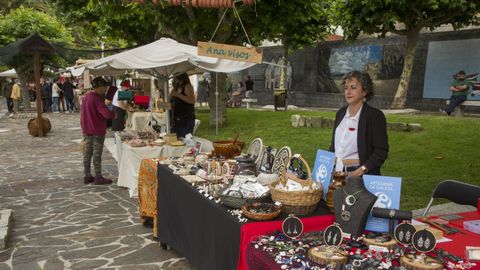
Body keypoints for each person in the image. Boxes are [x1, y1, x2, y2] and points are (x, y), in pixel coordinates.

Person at [329, 70, 388, 176]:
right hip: (335, 173)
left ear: (365, 91)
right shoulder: (340, 113)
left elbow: (381, 152)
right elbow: (333, 147)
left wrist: (360, 171)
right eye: (346, 88)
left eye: (353, 87)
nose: (348, 92)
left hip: (359, 174)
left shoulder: (375, 116)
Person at [80, 77, 115, 185]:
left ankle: (87, 175)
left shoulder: (87, 96)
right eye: (104, 86)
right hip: (97, 129)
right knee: (97, 153)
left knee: (87, 152)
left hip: (87, 128)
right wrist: (113, 113)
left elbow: (82, 113)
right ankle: (98, 177)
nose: (106, 88)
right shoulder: (97, 98)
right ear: (99, 87)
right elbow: (106, 113)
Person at [170, 73, 195, 138]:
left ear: (181, 79)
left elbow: (192, 100)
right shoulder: (175, 89)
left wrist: (178, 95)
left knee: (185, 139)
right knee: (177, 139)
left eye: (175, 79)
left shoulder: (187, 86)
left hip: (186, 119)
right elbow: (168, 100)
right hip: (177, 119)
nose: (174, 81)